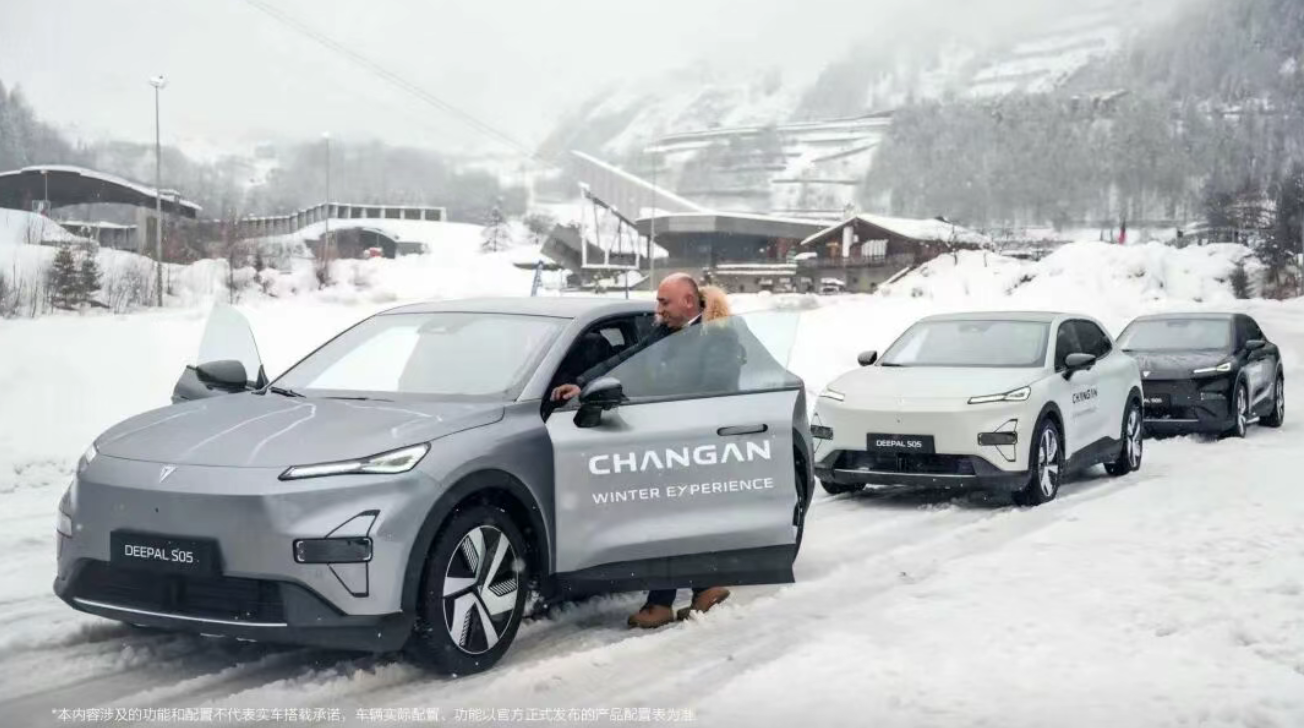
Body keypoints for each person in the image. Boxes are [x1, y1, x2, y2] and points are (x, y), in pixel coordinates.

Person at [550, 273, 740, 629]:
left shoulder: (719, 337)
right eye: (658, 301)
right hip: (663, 438)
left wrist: (663, 398)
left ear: (688, 301)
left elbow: (715, 390)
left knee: (671, 520)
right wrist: (582, 383)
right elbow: (626, 360)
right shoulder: (664, 332)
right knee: (672, 519)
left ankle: (663, 601)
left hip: (695, 442)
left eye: (664, 302)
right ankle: (702, 588)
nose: (658, 309)